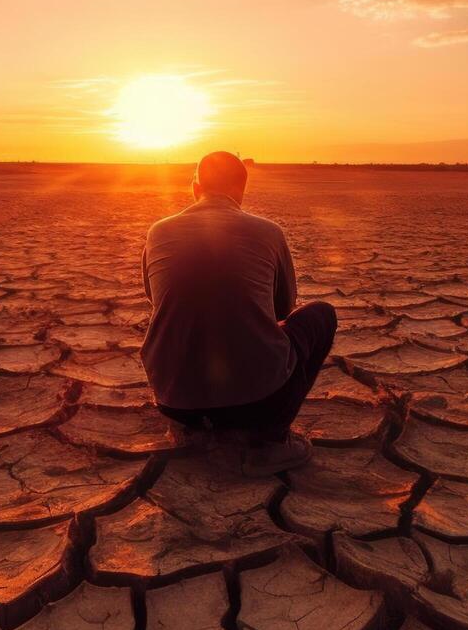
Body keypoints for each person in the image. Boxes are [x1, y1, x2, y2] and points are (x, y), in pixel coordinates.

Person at [140, 151, 336, 474]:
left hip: (174, 401)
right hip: (258, 404)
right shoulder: (269, 232)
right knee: (322, 315)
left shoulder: (158, 232)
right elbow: (283, 309)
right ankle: (272, 440)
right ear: (241, 190)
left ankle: (193, 429)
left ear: (195, 187)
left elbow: (155, 300)